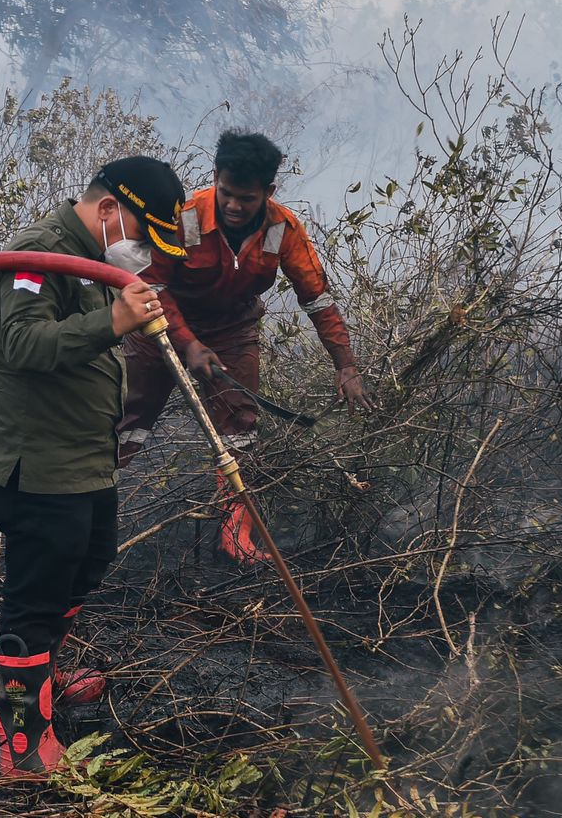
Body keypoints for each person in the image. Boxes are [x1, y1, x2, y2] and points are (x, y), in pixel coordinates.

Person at [0, 155, 186, 776]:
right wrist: (114, 320)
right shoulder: (39, 254)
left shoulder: (94, 261)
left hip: (87, 465)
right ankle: (20, 735)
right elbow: (21, 344)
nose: (144, 255)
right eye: (142, 239)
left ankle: (41, 675)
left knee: (87, 568)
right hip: (41, 473)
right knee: (34, 603)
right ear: (107, 212)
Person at [117, 130, 373, 564]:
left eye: (247, 198)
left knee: (241, 427)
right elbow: (152, 284)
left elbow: (317, 298)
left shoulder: (284, 228)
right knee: (130, 417)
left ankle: (235, 535)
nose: (234, 206)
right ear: (215, 177)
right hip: (159, 326)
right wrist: (188, 344)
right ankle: (89, 502)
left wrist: (346, 366)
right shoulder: (184, 215)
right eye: (227, 193)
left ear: (269, 192)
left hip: (232, 329)